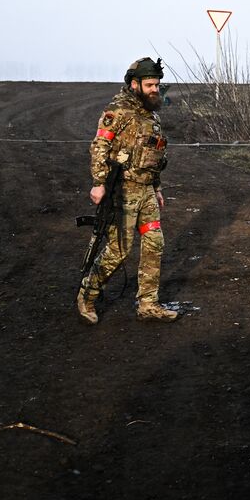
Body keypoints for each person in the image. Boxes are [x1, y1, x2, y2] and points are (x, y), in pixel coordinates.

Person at [75, 57, 179, 324]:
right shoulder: (118, 111)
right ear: (135, 84)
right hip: (123, 190)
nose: (155, 89)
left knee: (155, 243)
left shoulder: (151, 115)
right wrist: (99, 183)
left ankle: (148, 304)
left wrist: (157, 188)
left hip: (146, 191)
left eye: (157, 84)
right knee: (119, 250)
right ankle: (87, 294)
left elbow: (153, 153)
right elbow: (100, 147)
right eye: (150, 85)